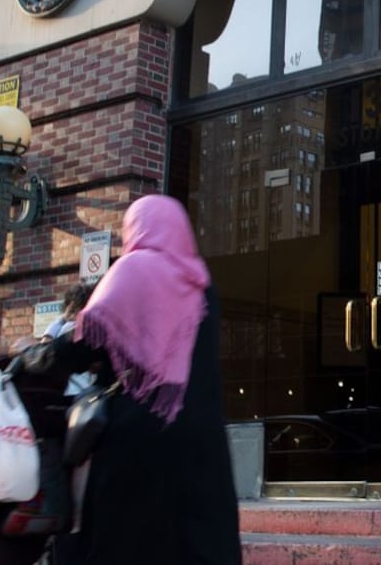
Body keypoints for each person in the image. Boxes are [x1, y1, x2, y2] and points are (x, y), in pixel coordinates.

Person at [18, 194, 241, 565]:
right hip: (203, 443)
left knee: (126, 538)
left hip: (138, 440)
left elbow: (86, 343)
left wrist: (36, 355)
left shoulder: (131, 271)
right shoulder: (201, 284)